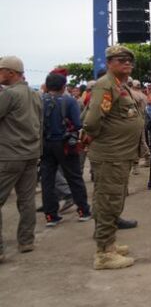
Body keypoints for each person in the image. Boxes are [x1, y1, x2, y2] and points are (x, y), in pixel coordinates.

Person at [82, 46, 143, 270]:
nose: (127, 63)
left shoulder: (119, 85)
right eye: (121, 59)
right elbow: (91, 121)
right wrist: (102, 139)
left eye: (129, 60)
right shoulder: (105, 85)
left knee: (108, 200)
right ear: (109, 63)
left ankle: (108, 243)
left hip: (118, 154)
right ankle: (104, 254)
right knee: (109, 202)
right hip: (111, 155)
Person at [0, 56, 42, 262]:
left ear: (10, 72)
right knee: (26, 200)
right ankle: (26, 241)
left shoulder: (8, 95)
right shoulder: (34, 94)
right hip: (31, 153)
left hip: (9, 155)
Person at [40, 73, 92, 226]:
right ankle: (83, 211)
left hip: (45, 143)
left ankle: (50, 215)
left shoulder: (40, 100)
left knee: (47, 180)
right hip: (65, 144)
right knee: (74, 177)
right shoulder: (69, 101)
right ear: (64, 86)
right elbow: (77, 124)